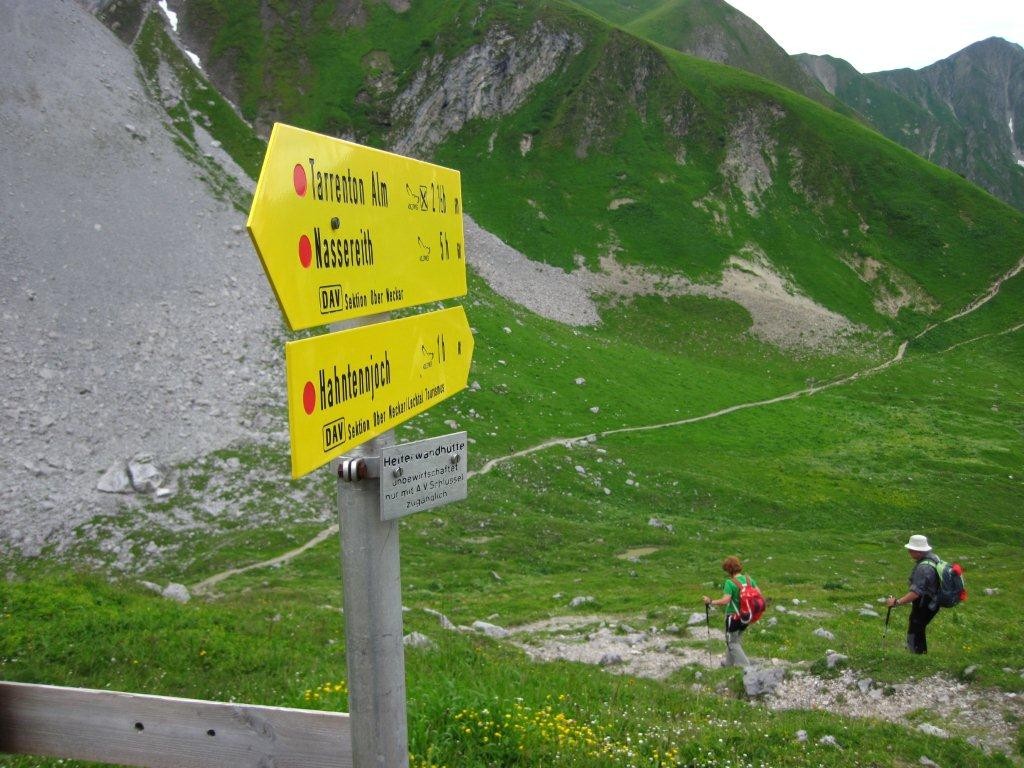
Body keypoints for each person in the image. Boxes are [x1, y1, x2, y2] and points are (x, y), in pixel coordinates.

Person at [885, 534, 942, 654]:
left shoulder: (924, 568)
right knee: (919, 627)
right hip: (933, 601)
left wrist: (896, 602)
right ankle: (920, 653)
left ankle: (915, 655)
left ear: (919, 551)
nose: (909, 552)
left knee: (915, 627)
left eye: (911, 550)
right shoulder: (934, 558)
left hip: (925, 603)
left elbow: (916, 593)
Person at [702, 555, 756, 667]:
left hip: (733, 617)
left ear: (729, 569)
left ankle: (745, 665)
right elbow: (758, 594)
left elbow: (725, 600)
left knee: (732, 643)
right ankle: (728, 663)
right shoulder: (749, 580)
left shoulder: (730, 583)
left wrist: (710, 601)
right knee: (736, 640)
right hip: (747, 616)